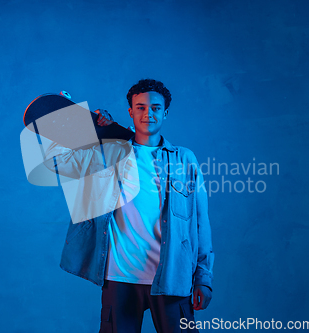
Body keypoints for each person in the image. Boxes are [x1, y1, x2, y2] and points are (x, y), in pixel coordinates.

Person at [45, 79, 214, 333]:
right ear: (131, 112)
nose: (148, 113)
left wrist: (204, 278)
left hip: (171, 277)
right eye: (141, 107)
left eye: (156, 108)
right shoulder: (109, 152)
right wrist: (77, 124)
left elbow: (200, 223)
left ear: (165, 112)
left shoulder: (184, 159)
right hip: (119, 277)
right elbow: (60, 164)